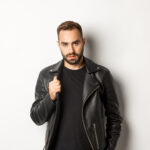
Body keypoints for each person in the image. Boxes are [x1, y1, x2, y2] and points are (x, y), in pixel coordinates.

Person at [30, 21, 122, 150]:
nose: (71, 50)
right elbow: (36, 118)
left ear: (83, 41)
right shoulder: (46, 75)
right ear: (59, 45)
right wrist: (49, 98)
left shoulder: (101, 75)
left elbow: (115, 118)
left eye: (76, 43)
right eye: (65, 44)